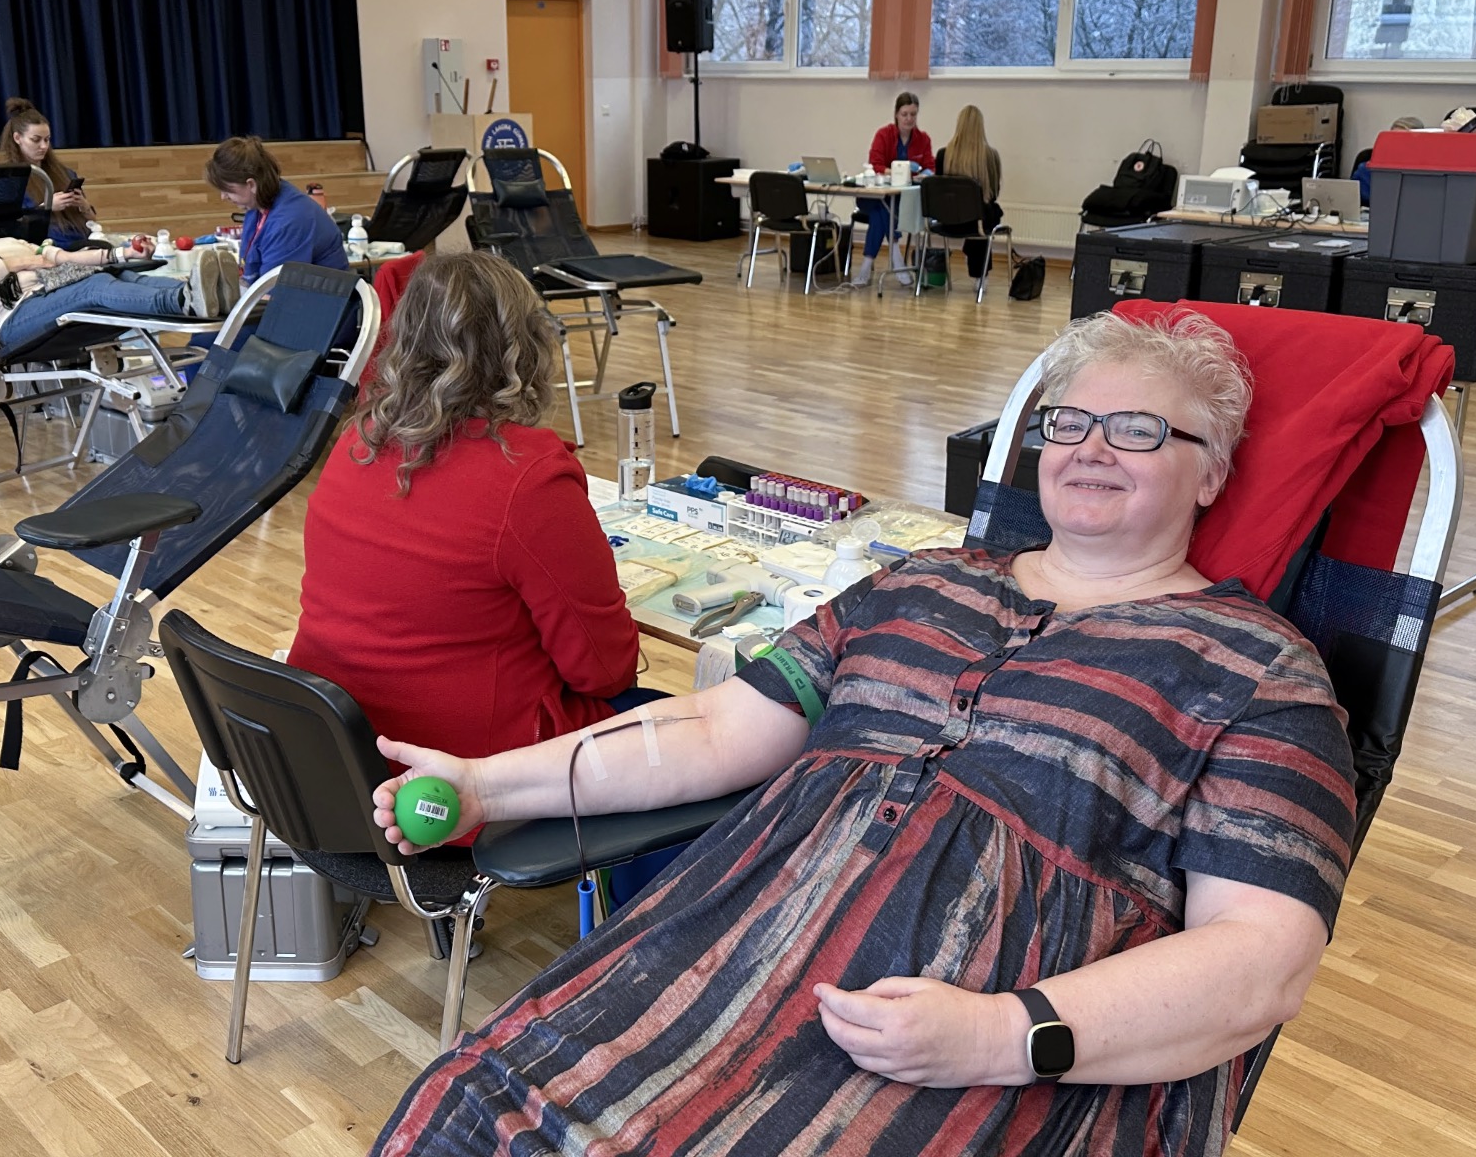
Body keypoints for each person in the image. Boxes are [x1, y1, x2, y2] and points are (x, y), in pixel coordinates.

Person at [367, 311, 1356, 1157]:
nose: (1091, 448)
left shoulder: (1257, 668)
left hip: (986, 1053)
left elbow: (1263, 957)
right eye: (1069, 423)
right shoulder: (920, 582)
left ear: (1212, 473)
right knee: (466, 1109)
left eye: (1138, 431)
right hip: (727, 963)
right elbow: (711, 726)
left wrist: (1001, 1037)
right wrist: (487, 786)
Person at [288, 251, 644, 772]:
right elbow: (604, 671)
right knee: (703, 730)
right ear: (525, 346)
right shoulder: (528, 476)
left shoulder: (355, 443)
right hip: (465, 779)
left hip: (331, 758)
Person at [0, 181, 227, 351]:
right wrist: (18, 262)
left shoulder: (2, 241)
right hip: (14, 321)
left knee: (119, 274)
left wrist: (122, 254)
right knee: (93, 287)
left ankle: (212, 296)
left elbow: (66, 259)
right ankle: (183, 302)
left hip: (47, 296)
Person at [204, 135, 349, 286]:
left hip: (319, 299)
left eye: (228, 190)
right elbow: (251, 274)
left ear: (251, 185)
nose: (223, 197)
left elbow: (274, 291)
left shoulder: (289, 221)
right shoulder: (258, 207)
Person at [850, 91, 933, 287]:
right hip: (874, 195)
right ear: (896, 114)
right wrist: (898, 172)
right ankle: (896, 258)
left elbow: (930, 166)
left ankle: (866, 266)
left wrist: (924, 174)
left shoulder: (923, 139)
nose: (909, 119)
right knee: (882, 205)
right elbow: (875, 164)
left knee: (882, 211)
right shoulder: (883, 135)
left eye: (913, 114)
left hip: (903, 200)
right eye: (905, 114)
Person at [0, 97, 98, 249]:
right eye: (36, 140)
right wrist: (46, 207)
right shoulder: (7, 179)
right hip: (47, 247)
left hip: (82, 240)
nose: (43, 146)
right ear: (17, 138)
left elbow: (92, 220)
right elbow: (7, 228)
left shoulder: (65, 173)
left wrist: (84, 206)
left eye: (47, 139)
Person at [934, 104, 1005, 279]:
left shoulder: (943, 155)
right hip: (976, 223)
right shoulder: (990, 156)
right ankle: (980, 276)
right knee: (989, 212)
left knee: (981, 213)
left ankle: (971, 253)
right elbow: (993, 193)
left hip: (947, 221)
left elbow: (939, 192)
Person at [1350, 115, 1424, 204]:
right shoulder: (1366, 171)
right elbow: (1351, 200)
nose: (1397, 145)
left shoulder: (1425, 176)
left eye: (1403, 141)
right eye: (1393, 139)